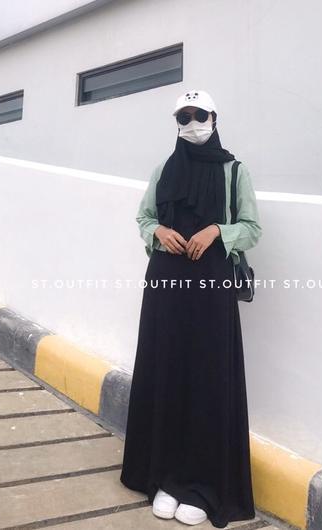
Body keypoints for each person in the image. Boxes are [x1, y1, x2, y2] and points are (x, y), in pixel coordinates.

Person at [119, 89, 262, 528]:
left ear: (215, 119)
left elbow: (252, 228)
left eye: (200, 115)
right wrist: (158, 232)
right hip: (166, 285)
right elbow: (144, 218)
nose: (193, 122)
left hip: (211, 287)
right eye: (184, 116)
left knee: (207, 376)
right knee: (167, 371)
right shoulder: (163, 170)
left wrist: (217, 230)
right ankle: (165, 477)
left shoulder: (234, 171)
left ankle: (203, 484)